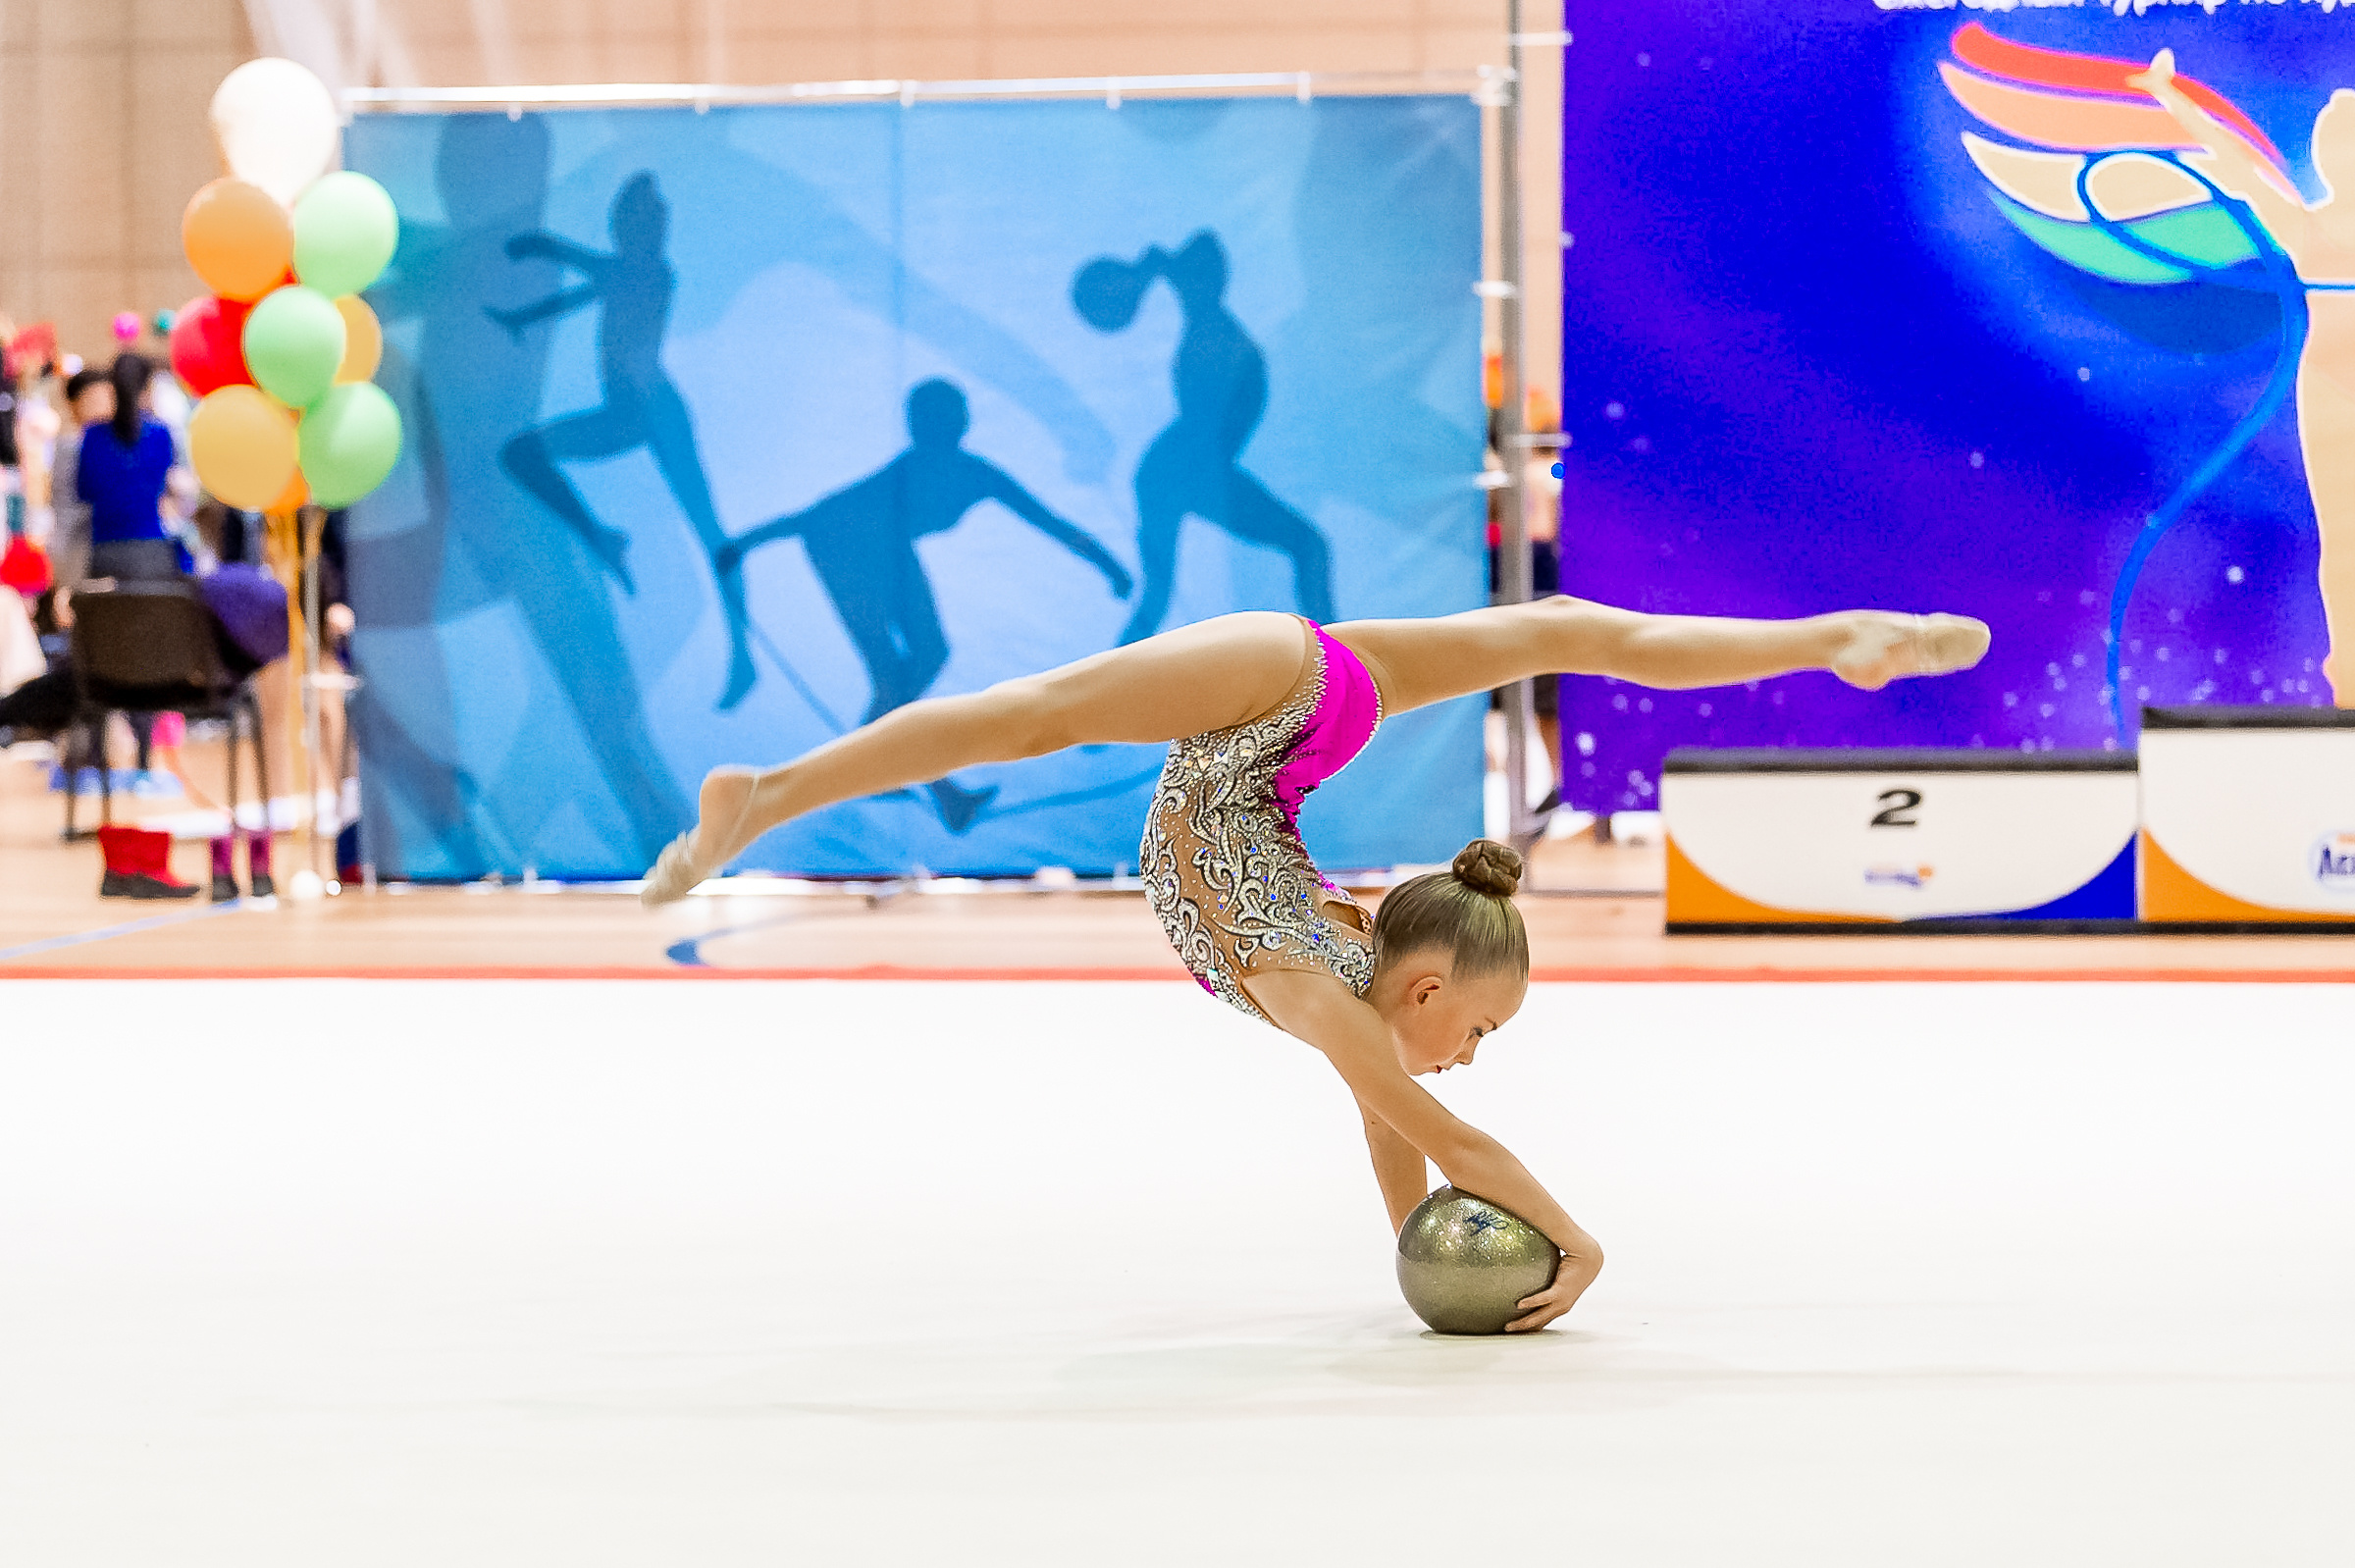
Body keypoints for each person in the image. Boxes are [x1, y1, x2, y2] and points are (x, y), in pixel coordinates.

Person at [638, 597, 1993, 1331]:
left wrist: (1414, 1241)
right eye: (1481, 1025)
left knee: (1574, 629)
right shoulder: (1315, 980)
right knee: (1034, 715)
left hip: (1299, 713)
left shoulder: (1339, 977)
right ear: (1423, 986)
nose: (1468, 1052)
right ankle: (765, 798)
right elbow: (1434, 1121)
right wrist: (1577, 1239)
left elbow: (1396, 1125)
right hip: (1270, 699)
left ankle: (1835, 638)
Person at [73, 353, 183, 583]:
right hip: (152, 548)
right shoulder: (160, 433)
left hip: (104, 550)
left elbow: (84, 491)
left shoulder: (93, 435)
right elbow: (166, 487)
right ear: (148, 387)